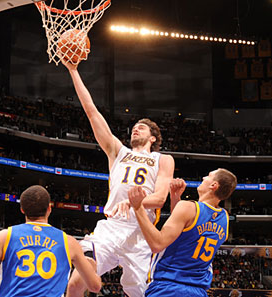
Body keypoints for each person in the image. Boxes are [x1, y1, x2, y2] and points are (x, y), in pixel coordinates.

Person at [62, 61, 175, 297]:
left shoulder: (163, 159)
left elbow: (161, 198)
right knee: (75, 284)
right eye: (134, 127)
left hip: (140, 232)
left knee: (141, 294)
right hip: (110, 227)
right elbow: (92, 111)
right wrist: (73, 71)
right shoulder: (118, 152)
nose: (136, 129)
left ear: (153, 138)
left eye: (142, 128)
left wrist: (137, 204)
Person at [0, 185, 101, 297]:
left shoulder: (5, 236)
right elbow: (94, 287)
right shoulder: (69, 242)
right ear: (49, 209)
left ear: (22, 210)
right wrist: (91, 268)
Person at [128, 169, 237, 296]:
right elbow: (186, 231)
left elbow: (157, 244)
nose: (203, 177)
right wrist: (175, 197)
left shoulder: (188, 207)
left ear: (213, 185)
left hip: (168, 287)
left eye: (208, 176)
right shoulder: (224, 218)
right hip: (198, 291)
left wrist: (138, 207)